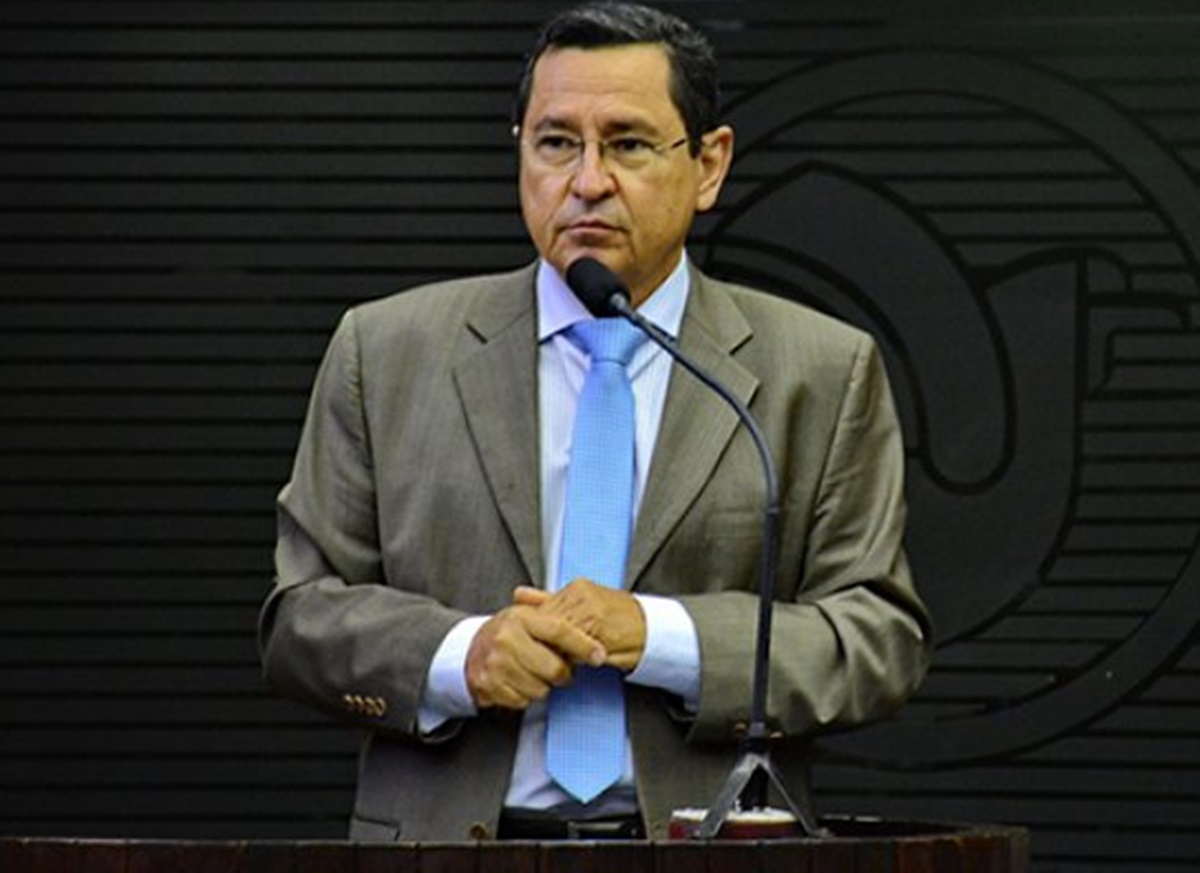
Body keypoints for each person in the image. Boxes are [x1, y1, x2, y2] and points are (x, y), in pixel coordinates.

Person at [258, 1, 931, 842]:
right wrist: (461, 656)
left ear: (709, 165)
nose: (586, 181)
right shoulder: (386, 351)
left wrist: (658, 634)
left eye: (628, 144)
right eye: (555, 143)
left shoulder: (819, 371)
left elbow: (876, 640)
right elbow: (300, 619)